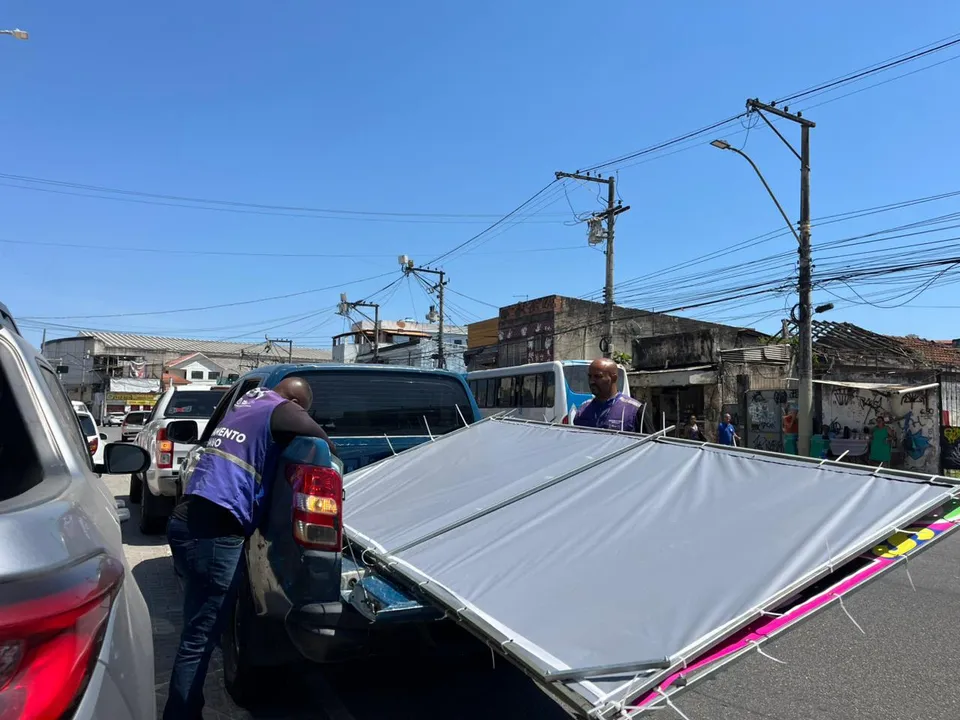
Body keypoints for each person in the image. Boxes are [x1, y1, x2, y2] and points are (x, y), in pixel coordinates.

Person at [163, 377, 336, 720]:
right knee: (200, 636)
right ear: (295, 401)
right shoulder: (278, 408)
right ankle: (179, 715)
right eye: (301, 407)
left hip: (189, 522)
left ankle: (186, 709)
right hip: (214, 532)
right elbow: (318, 436)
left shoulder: (247, 404)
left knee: (202, 625)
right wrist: (333, 461)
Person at [572, 358, 644, 432]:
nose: (591, 381)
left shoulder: (634, 410)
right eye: (590, 376)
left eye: (598, 377)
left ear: (614, 378)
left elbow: (650, 442)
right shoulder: (583, 410)